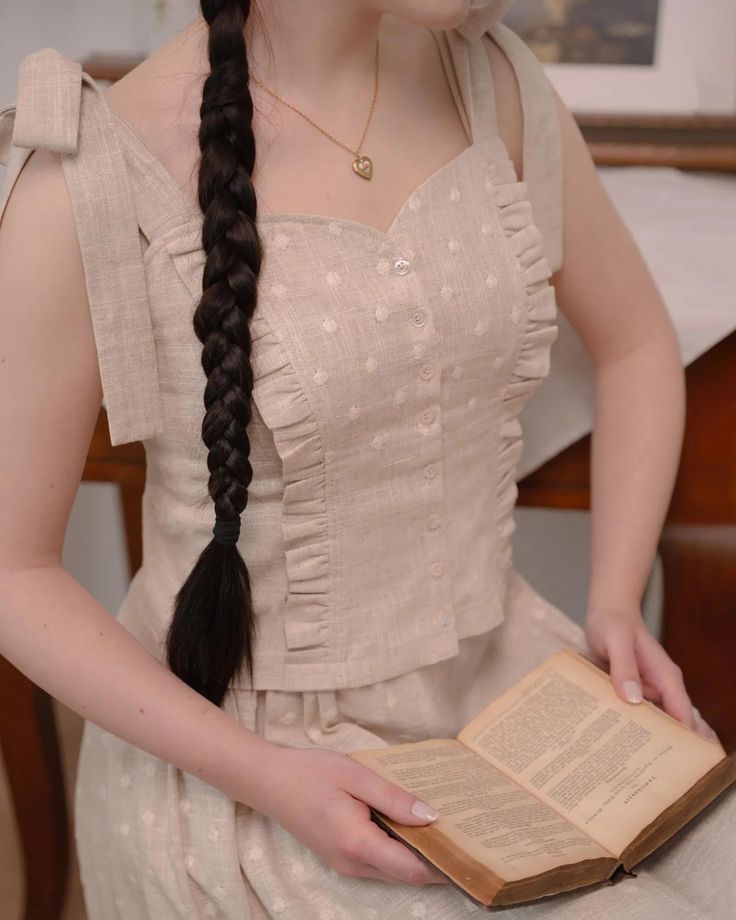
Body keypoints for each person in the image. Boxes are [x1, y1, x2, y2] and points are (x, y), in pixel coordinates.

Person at [0, 1, 733, 917]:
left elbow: (633, 344)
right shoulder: (90, 173)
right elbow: (12, 571)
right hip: (259, 768)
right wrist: (270, 778)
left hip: (513, 690)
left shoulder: (495, 82)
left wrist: (616, 601)